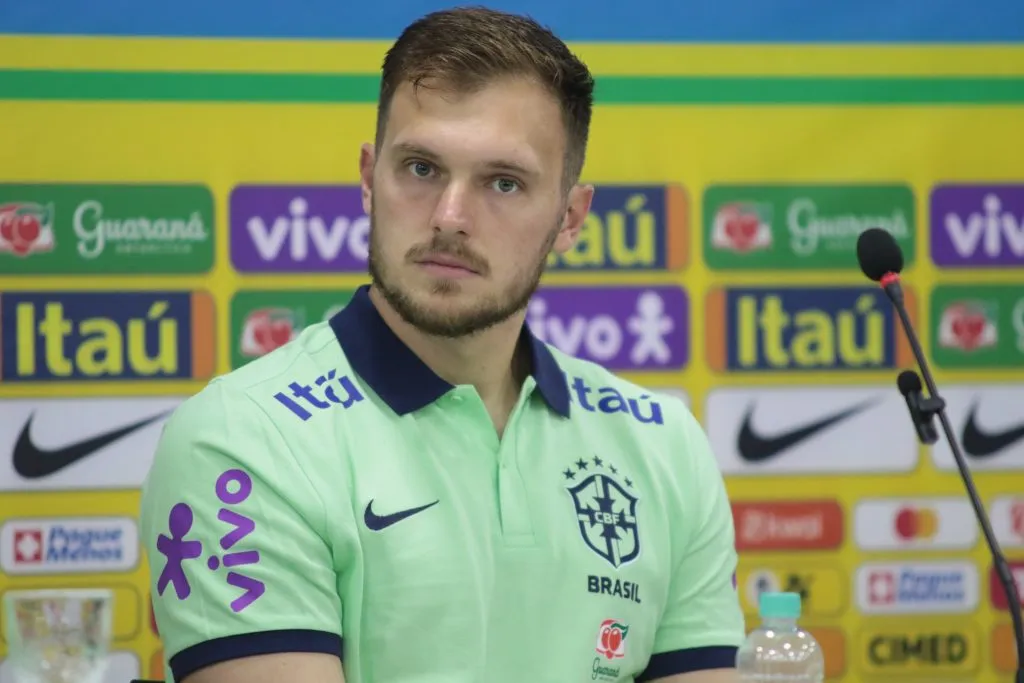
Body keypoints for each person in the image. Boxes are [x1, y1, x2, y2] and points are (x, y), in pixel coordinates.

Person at [139, 7, 745, 683]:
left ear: (570, 217)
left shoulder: (664, 445)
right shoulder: (242, 438)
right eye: (422, 168)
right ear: (370, 178)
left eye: (503, 182)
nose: (450, 218)